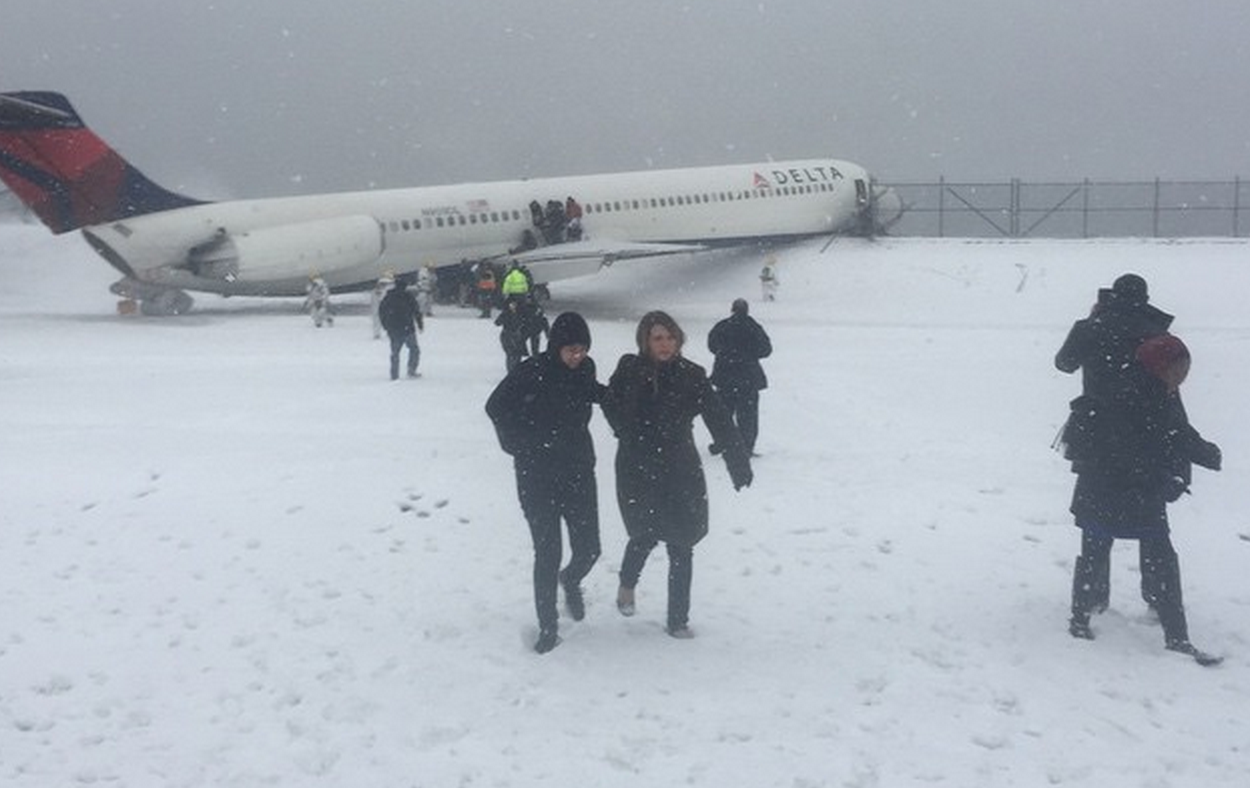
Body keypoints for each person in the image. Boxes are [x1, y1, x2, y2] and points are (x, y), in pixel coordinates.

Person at [1058, 332, 1223, 665]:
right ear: (1158, 366)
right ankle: (1176, 637)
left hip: (1106, 489)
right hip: (1127, 491)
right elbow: (1172, 436)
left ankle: (1081, 620)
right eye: (1177, 370)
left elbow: (1174, 433)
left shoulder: (1138, 385)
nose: (1181, 378)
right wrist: (1203, 456)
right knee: (1158, 557)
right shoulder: (1146, 394)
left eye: (1184, 371)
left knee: (1097, 550)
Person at [602, 311, 753, 638]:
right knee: (644, 534)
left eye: (670, 338)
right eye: (658, 338)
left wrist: (737, 460)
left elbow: (719, 418)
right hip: (638, 466)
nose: (665, 344)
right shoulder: (629, 369)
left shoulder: (692, 375)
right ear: (645, 340)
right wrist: (625, 431)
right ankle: (627, 585)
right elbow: (609, 403)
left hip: (680, 466)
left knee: (683, 540)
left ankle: (678, 619)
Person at [486, 312, 605, 654]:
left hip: (579, 472)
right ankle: (548, 627)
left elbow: (590, 392)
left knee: (590, 548)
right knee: (548, 551)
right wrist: (518, 444)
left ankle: (571, 580)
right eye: (570, 349)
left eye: (582, 349)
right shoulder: (530, 371)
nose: (577, 355)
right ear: (556, 347)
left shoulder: (585, 369)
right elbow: (495, 407)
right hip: (536, 477)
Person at [1055, 273, 1174, 612]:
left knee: (1096, 520)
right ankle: (1157, 595)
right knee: (1151, 524)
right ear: (1145, 298)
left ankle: (1092, 595)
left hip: (1096, 436)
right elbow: (1170, 387)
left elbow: (1064, 364)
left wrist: (1091, 322)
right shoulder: (1156, 333)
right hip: (1145, 438)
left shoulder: (1092, 327)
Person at [707, 298, 773, 456]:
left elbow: (712, 345)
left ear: (732, 309)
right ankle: (746, 447)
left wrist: (726, 354)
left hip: (725, 376)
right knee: (748, 416)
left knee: (723, 414)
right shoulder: (754, 327)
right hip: (748, 378)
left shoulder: (722, 326)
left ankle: (721, 443)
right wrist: (749, 355)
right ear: (747, 310)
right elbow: (766, 349)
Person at [379, 276, 424, 379]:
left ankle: (394, 374)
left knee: (395, 353)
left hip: (393, 329)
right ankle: (411, 369)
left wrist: (385, 326)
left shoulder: (388, 297)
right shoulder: (408, 297)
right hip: (408, 328)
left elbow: (381, 312)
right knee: (414, 349)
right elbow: (416, 311)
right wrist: (420, 324)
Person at [494, 297, 530, 373]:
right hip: (507, 335)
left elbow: (527, 323)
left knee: (518, 354)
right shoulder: (505, 313)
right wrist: (504, 317)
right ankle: (510, 371)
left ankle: (516, 370)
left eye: (514, 304)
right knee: (510, 353)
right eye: (511, 304)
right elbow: (497, 323)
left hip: (518, 335)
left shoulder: (521, 313)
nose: (513, 306)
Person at [370, 273, 394, 339]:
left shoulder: (384, 291)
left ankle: (388, 333)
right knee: (378, 321)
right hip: (379, 309)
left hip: (383, 309)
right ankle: (377, 334)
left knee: (387, 321)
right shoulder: (376, 292)